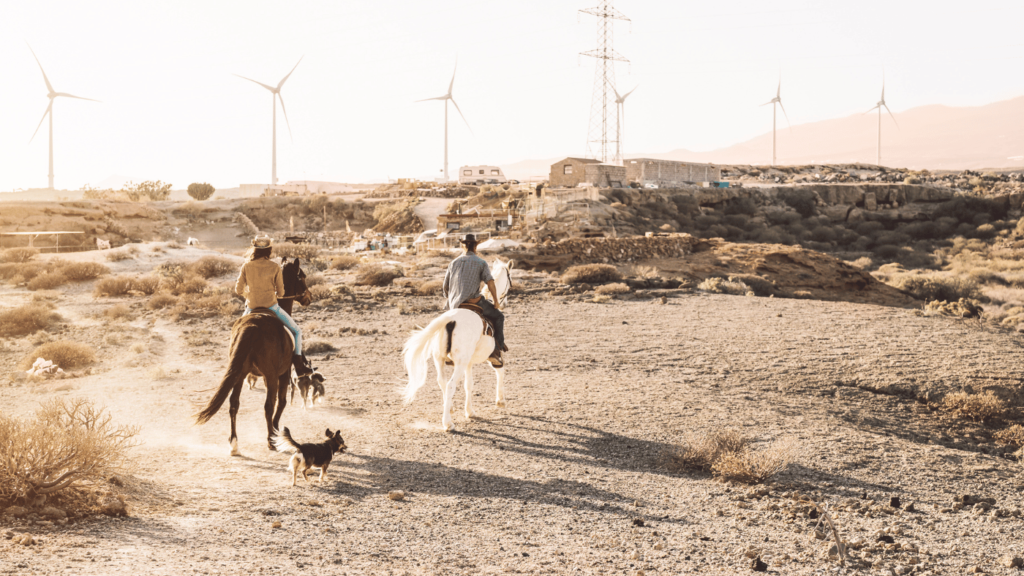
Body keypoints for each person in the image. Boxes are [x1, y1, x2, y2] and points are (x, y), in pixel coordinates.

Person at [234, 235, 314, 377]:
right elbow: (281, 292)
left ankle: (233, 364)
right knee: (297, 332)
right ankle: (299, 365)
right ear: (268, 250)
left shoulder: (246, 266)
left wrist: (250, 295)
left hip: (251, 307)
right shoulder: (274, 267)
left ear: (255, 249)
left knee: (237, 333)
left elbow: (238, 290)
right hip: (272, 307)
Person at [442, 234, 506, 366]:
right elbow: (490, 282)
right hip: (473, 301)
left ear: (462, 245)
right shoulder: (481, 262)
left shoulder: (453, 263)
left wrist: (452, 298)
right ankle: (496, 351)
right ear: (476, 246)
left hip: (454, 304)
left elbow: (445, 287)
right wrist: (496, 301)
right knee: (499, 317)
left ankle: (445, 350)